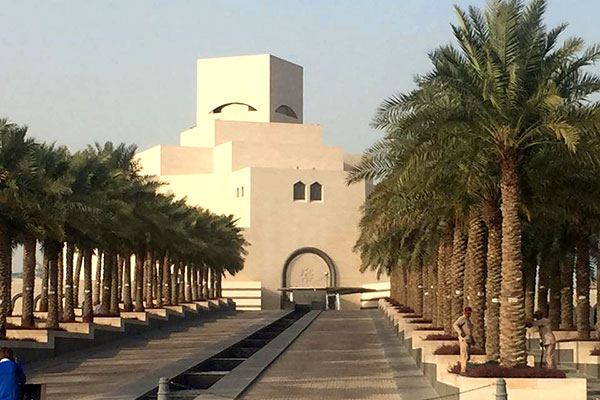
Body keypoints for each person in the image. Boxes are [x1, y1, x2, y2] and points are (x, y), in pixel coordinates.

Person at [453, 307, 474, 374]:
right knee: (464, 355)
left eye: (469, 313)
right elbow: (455, 325)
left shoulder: (468, 320)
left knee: (468, 356)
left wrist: (472, 339)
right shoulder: (462, 318)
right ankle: (463, 370)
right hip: (463, 339)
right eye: (467, 313)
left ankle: (466, 368)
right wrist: (460, 332)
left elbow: (469, 331)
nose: (468, 314)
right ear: (464, 312)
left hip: (468, 339)